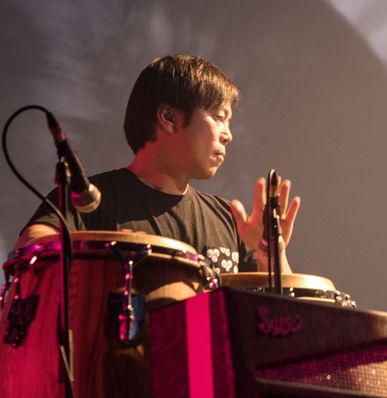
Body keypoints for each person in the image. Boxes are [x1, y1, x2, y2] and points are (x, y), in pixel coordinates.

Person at [16, 54, 300, 274]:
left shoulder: (227, 219)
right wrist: (105, 253)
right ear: (169, 117)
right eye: (218, 116)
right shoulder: (90, 199)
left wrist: (271, 255)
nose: (228, 135)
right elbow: (32, 245)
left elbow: (279, 314)